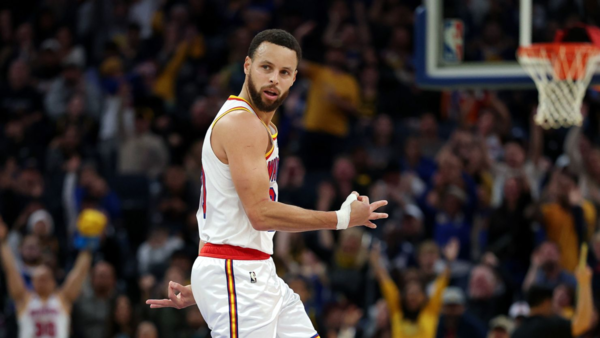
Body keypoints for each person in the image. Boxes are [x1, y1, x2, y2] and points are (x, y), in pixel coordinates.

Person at [146, 29, 388, 337]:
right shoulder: (242, 124)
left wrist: (207, 286)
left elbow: (219, 207)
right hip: (237, 273)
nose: (274, 78)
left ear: (294, 78)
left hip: (250, 270)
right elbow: (260, 214)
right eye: (266, 67)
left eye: (284, 72)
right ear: (247, 66)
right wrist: (341, 219)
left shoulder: (261, 125)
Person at [0, 211, 97, 338]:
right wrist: (2, 242)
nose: (42, 281)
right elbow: (10, 270)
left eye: (45, 278)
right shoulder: (24, 299)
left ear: (53, 282)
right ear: (33, 282)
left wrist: (88, 246)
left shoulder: (63, 299)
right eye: (39, 279)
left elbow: (79, 273)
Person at [512, 265, 593, 338]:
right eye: (552, 302)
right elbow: (582, 323)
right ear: (546, 303)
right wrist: (584, 282)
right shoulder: (550, 325)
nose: (554, 306)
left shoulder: (517, 332)